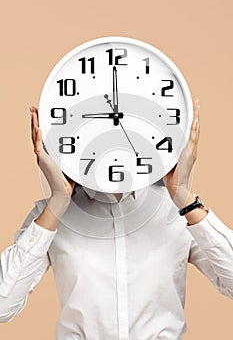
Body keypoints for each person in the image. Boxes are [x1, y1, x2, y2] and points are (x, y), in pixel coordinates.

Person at [0, 99, 233, 340]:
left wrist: (183, 196)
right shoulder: (52, 217)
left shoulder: (176, 211)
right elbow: (3, 306)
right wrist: (58, 200)